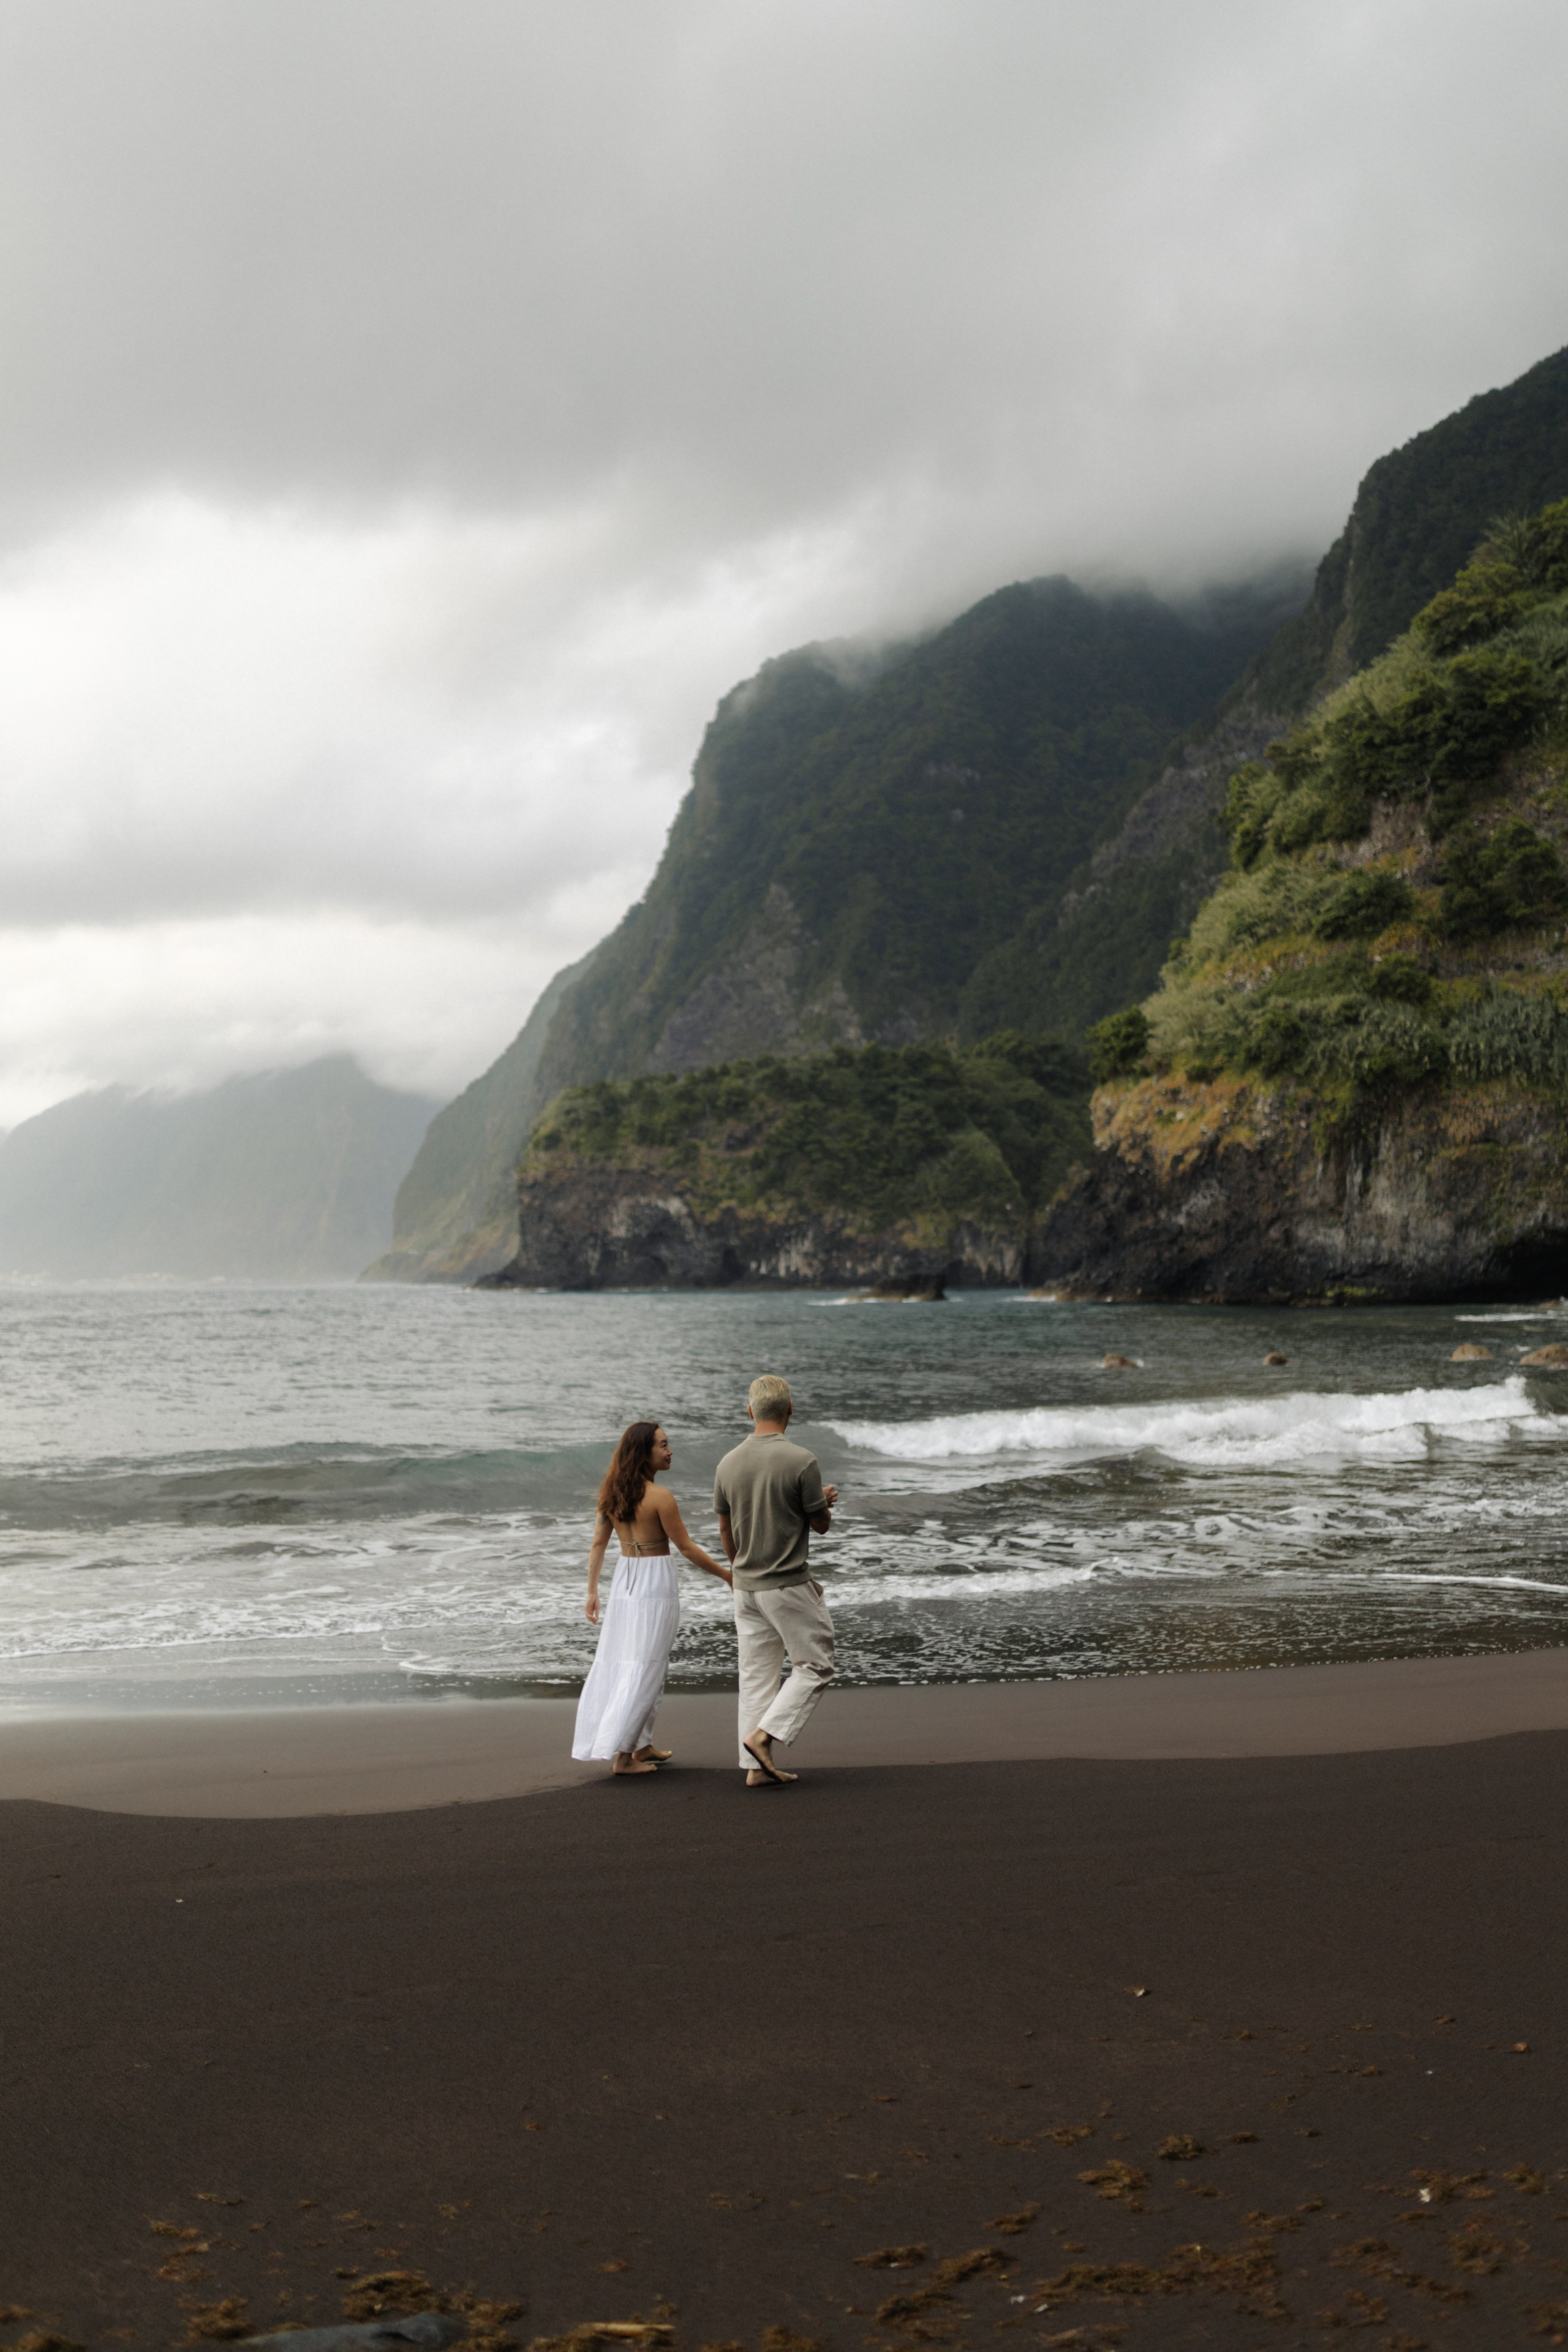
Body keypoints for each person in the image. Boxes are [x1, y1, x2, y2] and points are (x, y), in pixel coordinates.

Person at [573, 1420, 732, 1777]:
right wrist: (726, 1575)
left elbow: (598, 1544)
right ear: (644, 1453)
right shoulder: (661, 1498)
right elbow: (687, 1549)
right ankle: (624, 1757)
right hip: (655, 1583)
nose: (670, 1450)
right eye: (662, 1445)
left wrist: (592, 1592)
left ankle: (642, 1743)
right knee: (648, 1666)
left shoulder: (612, 1493)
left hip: (625, 1582)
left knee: (636, 1661)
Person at [713, 1374, 838, 1789]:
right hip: (786, 1584)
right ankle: (764, 1738)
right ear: (790, 1410)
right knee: (816, 1664)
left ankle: (754, 1768)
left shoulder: (727, 1463)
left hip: (745, 1585)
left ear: (750, 1412)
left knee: (756, 1676)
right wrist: (822, 1502)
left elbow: (725, 1531)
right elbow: (820, 1526)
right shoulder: (801, 1460)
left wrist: (738, 1572)